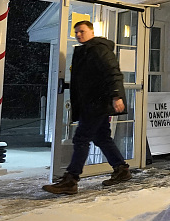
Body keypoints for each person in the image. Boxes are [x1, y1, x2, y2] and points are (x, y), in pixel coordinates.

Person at [43, 21, 131, 195]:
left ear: (91, 31)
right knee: (102, 137)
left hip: (96, 103)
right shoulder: (86, 50)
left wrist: (116, 95)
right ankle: (121, 169)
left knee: (81, 139)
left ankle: (71, 179)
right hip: (93, 102)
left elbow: (112, 72)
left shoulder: (98, 49)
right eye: (76, 32)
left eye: (82, 31)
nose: (78, 35)